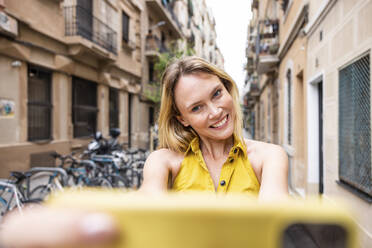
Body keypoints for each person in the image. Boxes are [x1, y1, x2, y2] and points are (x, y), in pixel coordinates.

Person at [0, 56, 288, 248]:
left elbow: (275, 217)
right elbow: (146, 202)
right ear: (182, 119)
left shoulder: (269, 156)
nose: (216, 111)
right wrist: (90, 219)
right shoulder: (164, 161)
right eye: (197, 107)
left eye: (216, 94)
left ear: (227, 89)